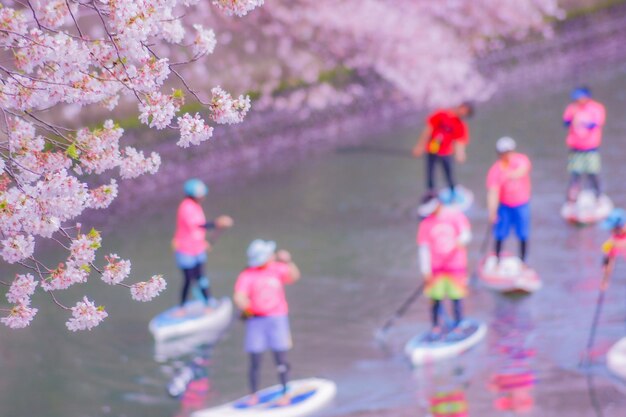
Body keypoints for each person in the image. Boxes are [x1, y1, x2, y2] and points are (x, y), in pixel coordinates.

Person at [233, 239, 301, 405]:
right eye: (269, 253)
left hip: (277, 319)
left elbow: (294, 276)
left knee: (281, 358)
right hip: (256, 321)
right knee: (255, 359)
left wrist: (288, 261)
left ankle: (286, 392)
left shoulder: (277, 268)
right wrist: (243, 304)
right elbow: (239, 295)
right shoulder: (247, 274)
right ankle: (253, 395)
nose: (273, 255)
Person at [172, 179, 233, 312]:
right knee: (188, 279)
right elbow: (198, 225)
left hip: (197, 248)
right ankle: (182, 307)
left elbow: (197, 230)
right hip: (185, 250)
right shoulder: (186, 206)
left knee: (201, 277)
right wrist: (217, 223)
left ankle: (208, 302)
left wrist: (203, 242)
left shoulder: (196, 205)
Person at [417, 196, 472, 339]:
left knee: (456, 297)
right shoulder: (425, 224)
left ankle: (459, 325)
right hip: (436, 270)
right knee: (435, 299)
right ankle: (435, 327)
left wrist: (460, 241)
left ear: (438, 205)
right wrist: (425, 272)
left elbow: (466, 234)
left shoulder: (455, 216)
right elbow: (423, 249)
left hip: (455, 267)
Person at [412, 103, 474, 198]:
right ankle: (431, 192)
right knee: (430, 171)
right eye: (464, 110)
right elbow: (428, 129)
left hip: (446, 152)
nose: (463, 113)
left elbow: (460, 142)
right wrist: (419, 146)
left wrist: (460, 154)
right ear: (461, 106)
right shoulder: (441, 114)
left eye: (466, 113)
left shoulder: (460, 124)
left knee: (448, 171)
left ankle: (452, 191)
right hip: (432, 149)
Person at [486, 137, 532, 264]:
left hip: (521, 204)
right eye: (504, 152)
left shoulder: (520, 160)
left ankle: (523, 261)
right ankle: (497, 260)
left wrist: (509, 174)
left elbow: (523, 170)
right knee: (500, 233)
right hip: (504, 206)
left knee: (523, 234)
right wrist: (492, 211)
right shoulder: (495, 171)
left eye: (509, 151)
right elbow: (493, 192)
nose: (508, 155)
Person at [563, 87, 606, 201]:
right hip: (575, 148)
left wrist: (582, 122)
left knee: (593, 173)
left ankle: (598, 196)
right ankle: (572, 198)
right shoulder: (572, 108)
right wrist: (572, 117)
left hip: (591, 148)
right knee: (575, 174)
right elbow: (566, 122)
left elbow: (595, 125)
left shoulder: (596, 108)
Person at [600, 209, 626, 289]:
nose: (611, 231)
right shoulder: (615, 238)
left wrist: (615, 243)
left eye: (612, 228)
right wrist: (605, 280)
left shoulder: (615, 241)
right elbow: (610, 261)